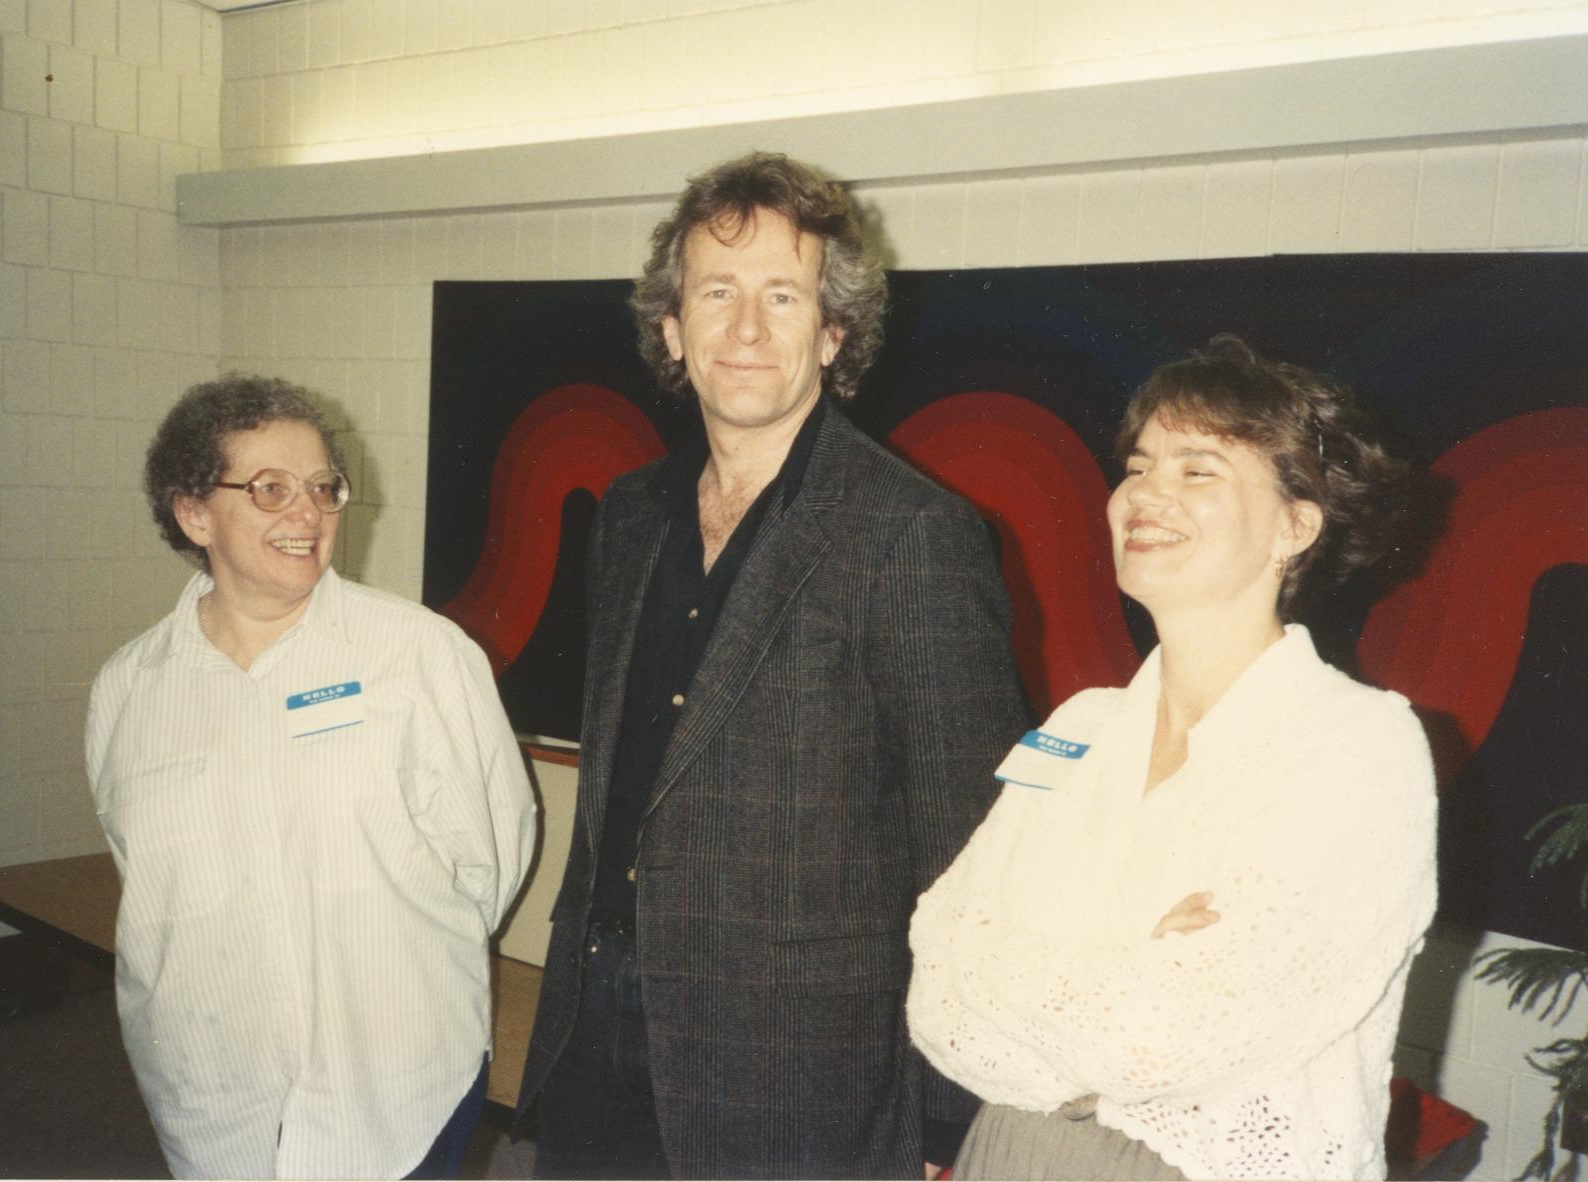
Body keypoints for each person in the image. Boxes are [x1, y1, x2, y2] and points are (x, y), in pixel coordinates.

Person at [515, 152, 1031, 1180]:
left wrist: (945, 1121)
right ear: (672, 328)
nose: (746, 329)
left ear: (833, 333)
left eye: (782, 296)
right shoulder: (629, 515)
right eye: (717, 292)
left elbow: (976, 852)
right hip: (596, 1036)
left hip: (795, 1073)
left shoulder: (912, 534)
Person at [908, 337, 1438, 1181]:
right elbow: (937, 982)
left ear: (1296, 526)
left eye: (1198, 472)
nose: (1147, 495)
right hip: (1009, 1150)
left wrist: (1030, 963)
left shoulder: (1356, 747)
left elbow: (1169, 1036)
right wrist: (1132, 951)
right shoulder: (1081, 726)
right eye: (1139, 467)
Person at [86, 375, 535, 1180]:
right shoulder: (129, 688)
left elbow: (491, 858)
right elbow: (150, 881)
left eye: (323, 488)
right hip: (209, 1091)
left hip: (394, 1086)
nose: (308, 514)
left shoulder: (420, 655)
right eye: (271, 489)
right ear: (193, 513)